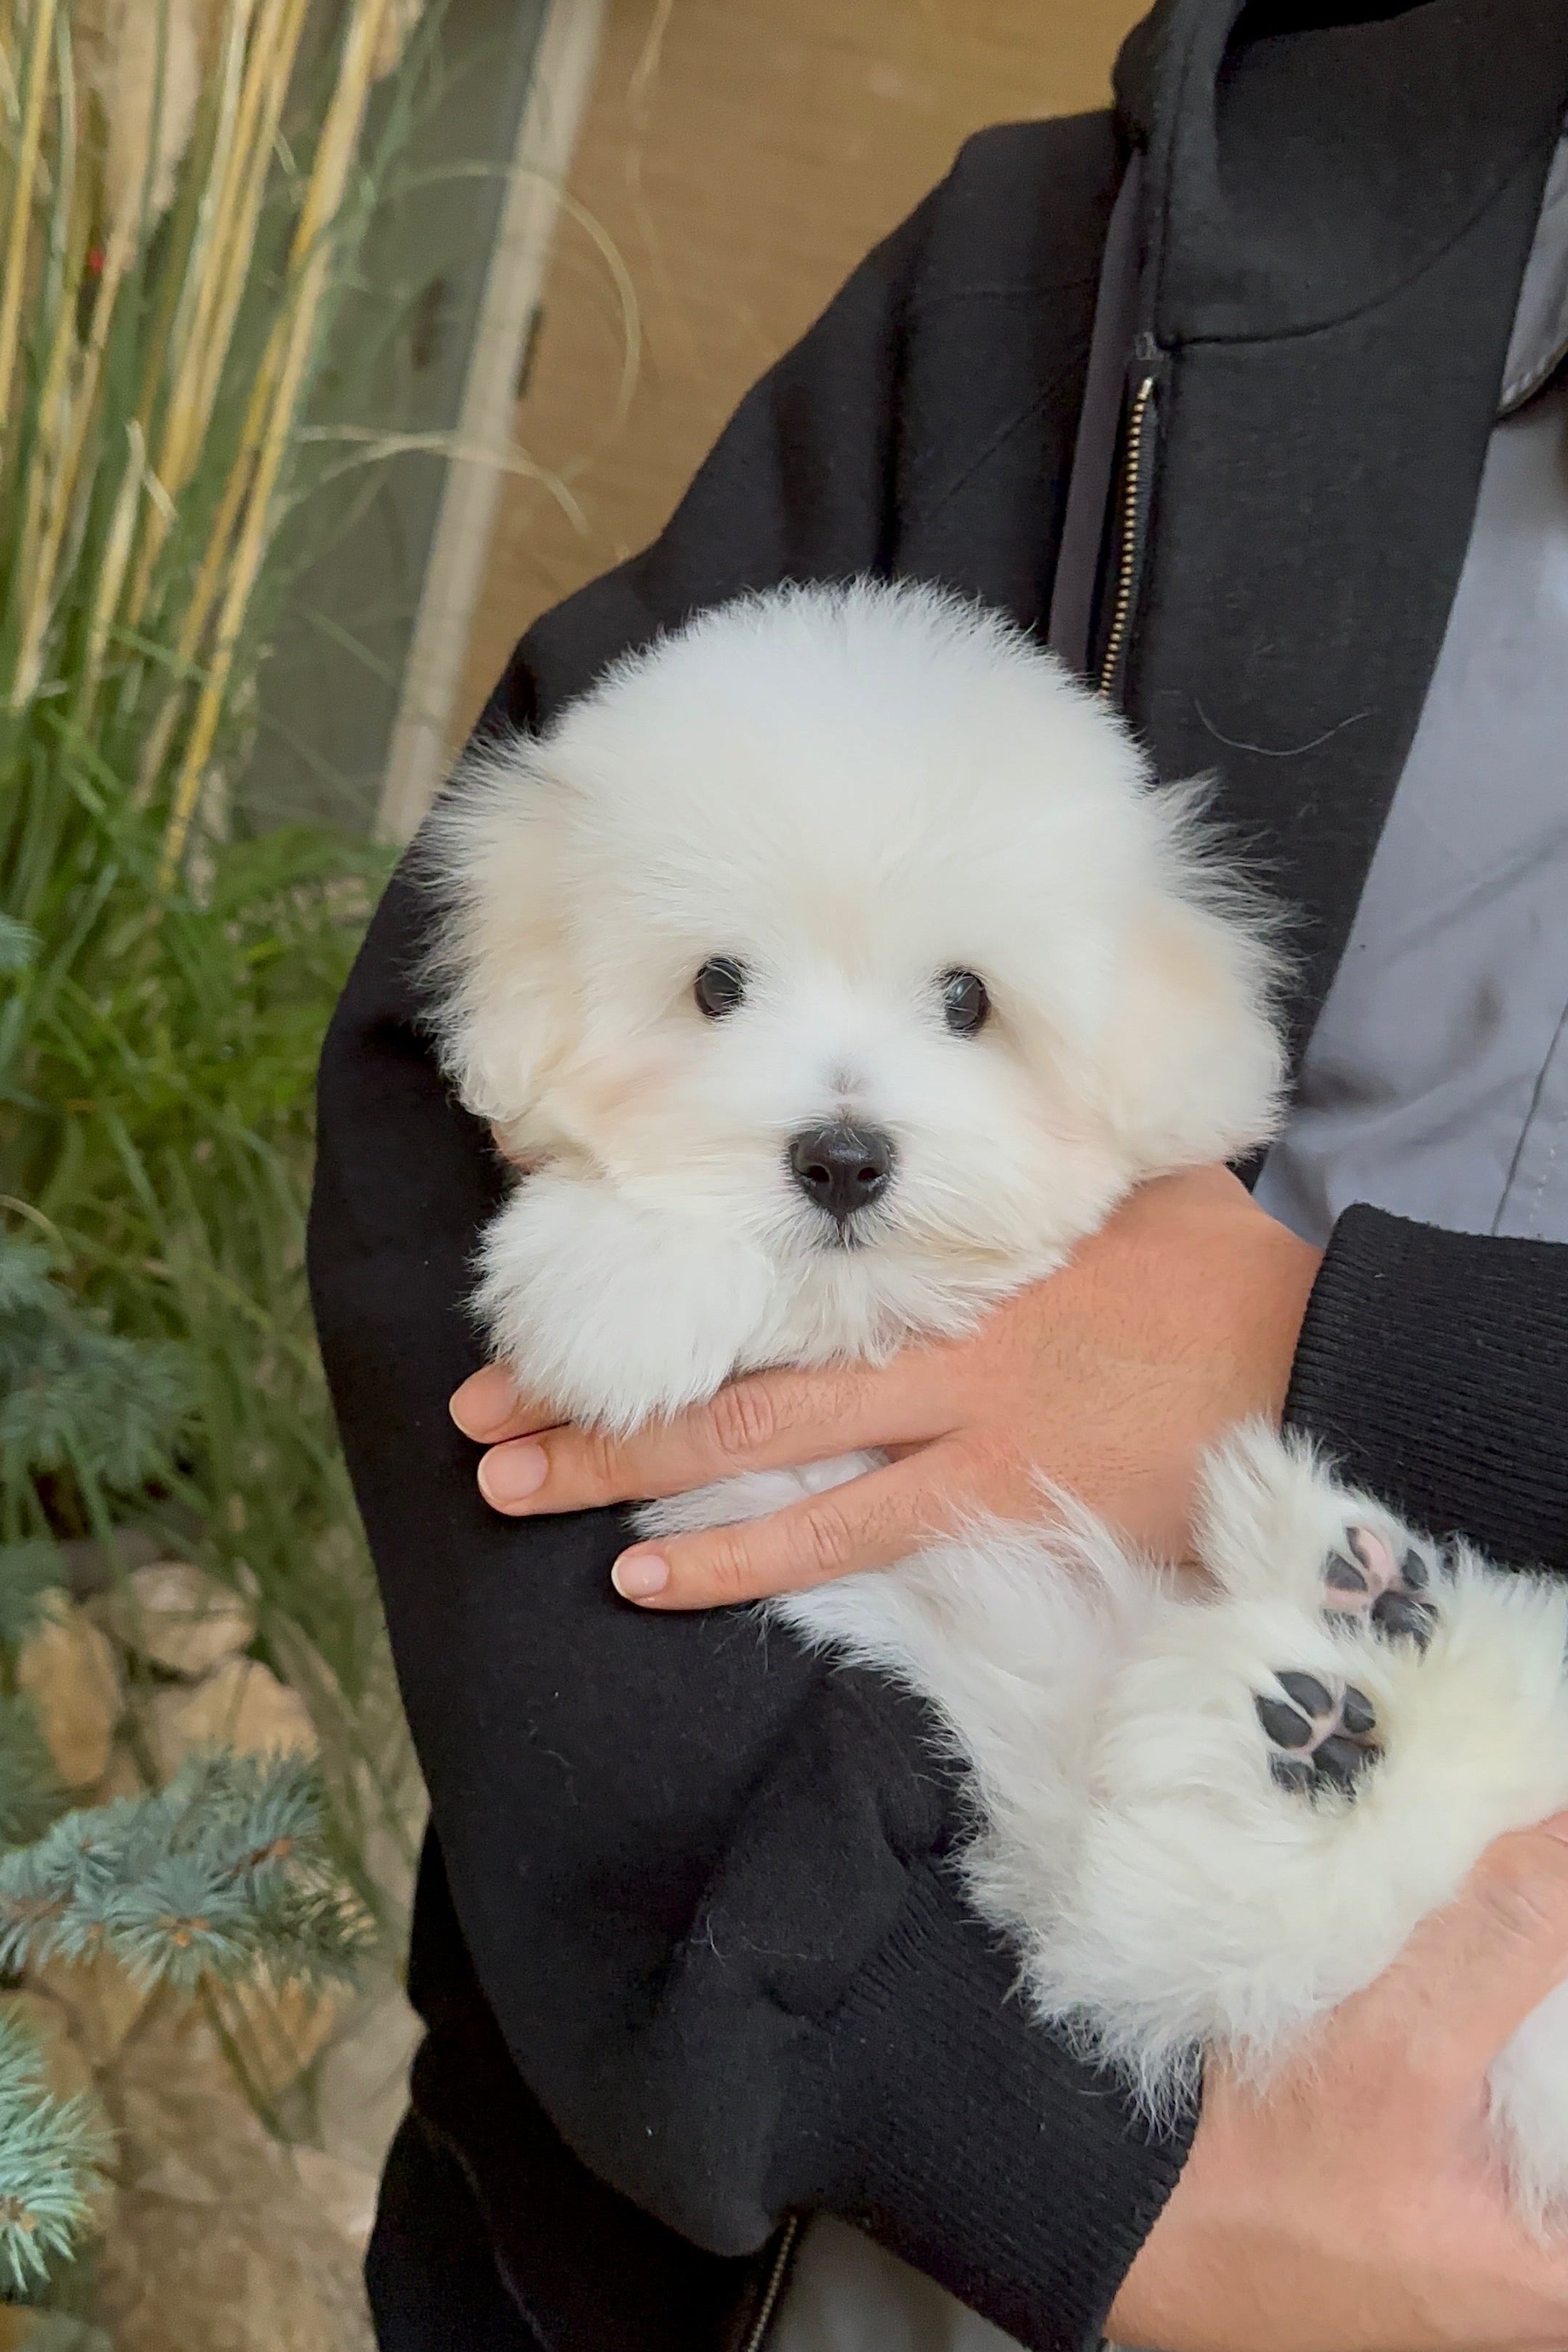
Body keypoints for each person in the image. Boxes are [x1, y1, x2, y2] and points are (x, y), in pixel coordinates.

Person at [306, 1, 1568, 2345]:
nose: (846, 1103)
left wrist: (1340, 1362)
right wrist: (1037, 2161)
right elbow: (442, 1097)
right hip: (784, 2244)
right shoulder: (1095, 255)